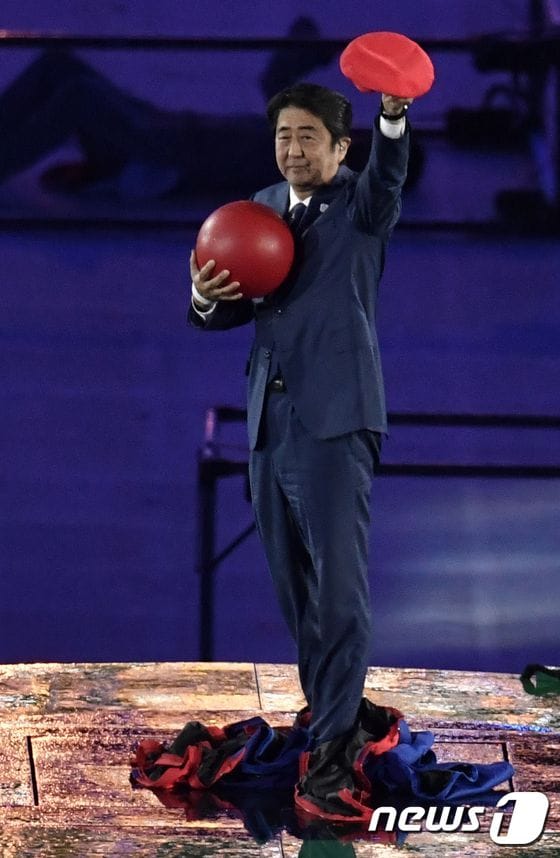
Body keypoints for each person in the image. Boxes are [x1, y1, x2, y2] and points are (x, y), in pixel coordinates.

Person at [188, 82, 411, 815]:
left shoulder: (363, 203)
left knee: (339, 593)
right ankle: (328, 720)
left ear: (341, 147)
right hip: (268, 424)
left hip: (334, 423)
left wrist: (392, 117)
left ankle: (338, 750)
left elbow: (388, 174)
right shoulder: (260, 206)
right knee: (296, 592)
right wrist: (205, 295)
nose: (293, 149)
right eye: (284, 135)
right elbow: (239, 308)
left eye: (309, 136)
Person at [0, 19, 337, 200]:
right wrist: (298, 54)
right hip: (171, 129)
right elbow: (276, 90)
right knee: (58, 63)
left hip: (171, 154)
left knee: (80, 95)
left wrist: (296, 56)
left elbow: (275, 88)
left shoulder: (306, 164)